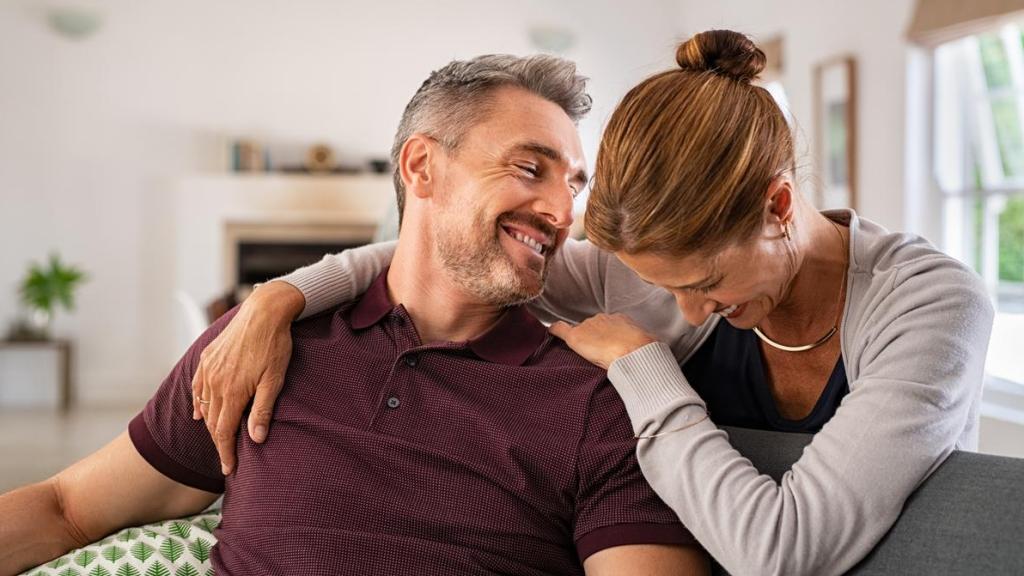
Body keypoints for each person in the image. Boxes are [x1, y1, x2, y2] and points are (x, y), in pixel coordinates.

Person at [192, 31, 995, 576]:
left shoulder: (928, 306)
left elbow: (780, 551)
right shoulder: (632, 277)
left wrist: (645, 368)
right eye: (666, 286)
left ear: (779, 206)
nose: (686, 311)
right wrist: (279, 297)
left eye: (705, 284)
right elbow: (446, 257)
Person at [0, 54, 709, 576]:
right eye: (530, 168)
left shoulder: (594, 401)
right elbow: (67, 509)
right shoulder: (262, 348)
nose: (561, 211)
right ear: (421, 167)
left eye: (573, 184)